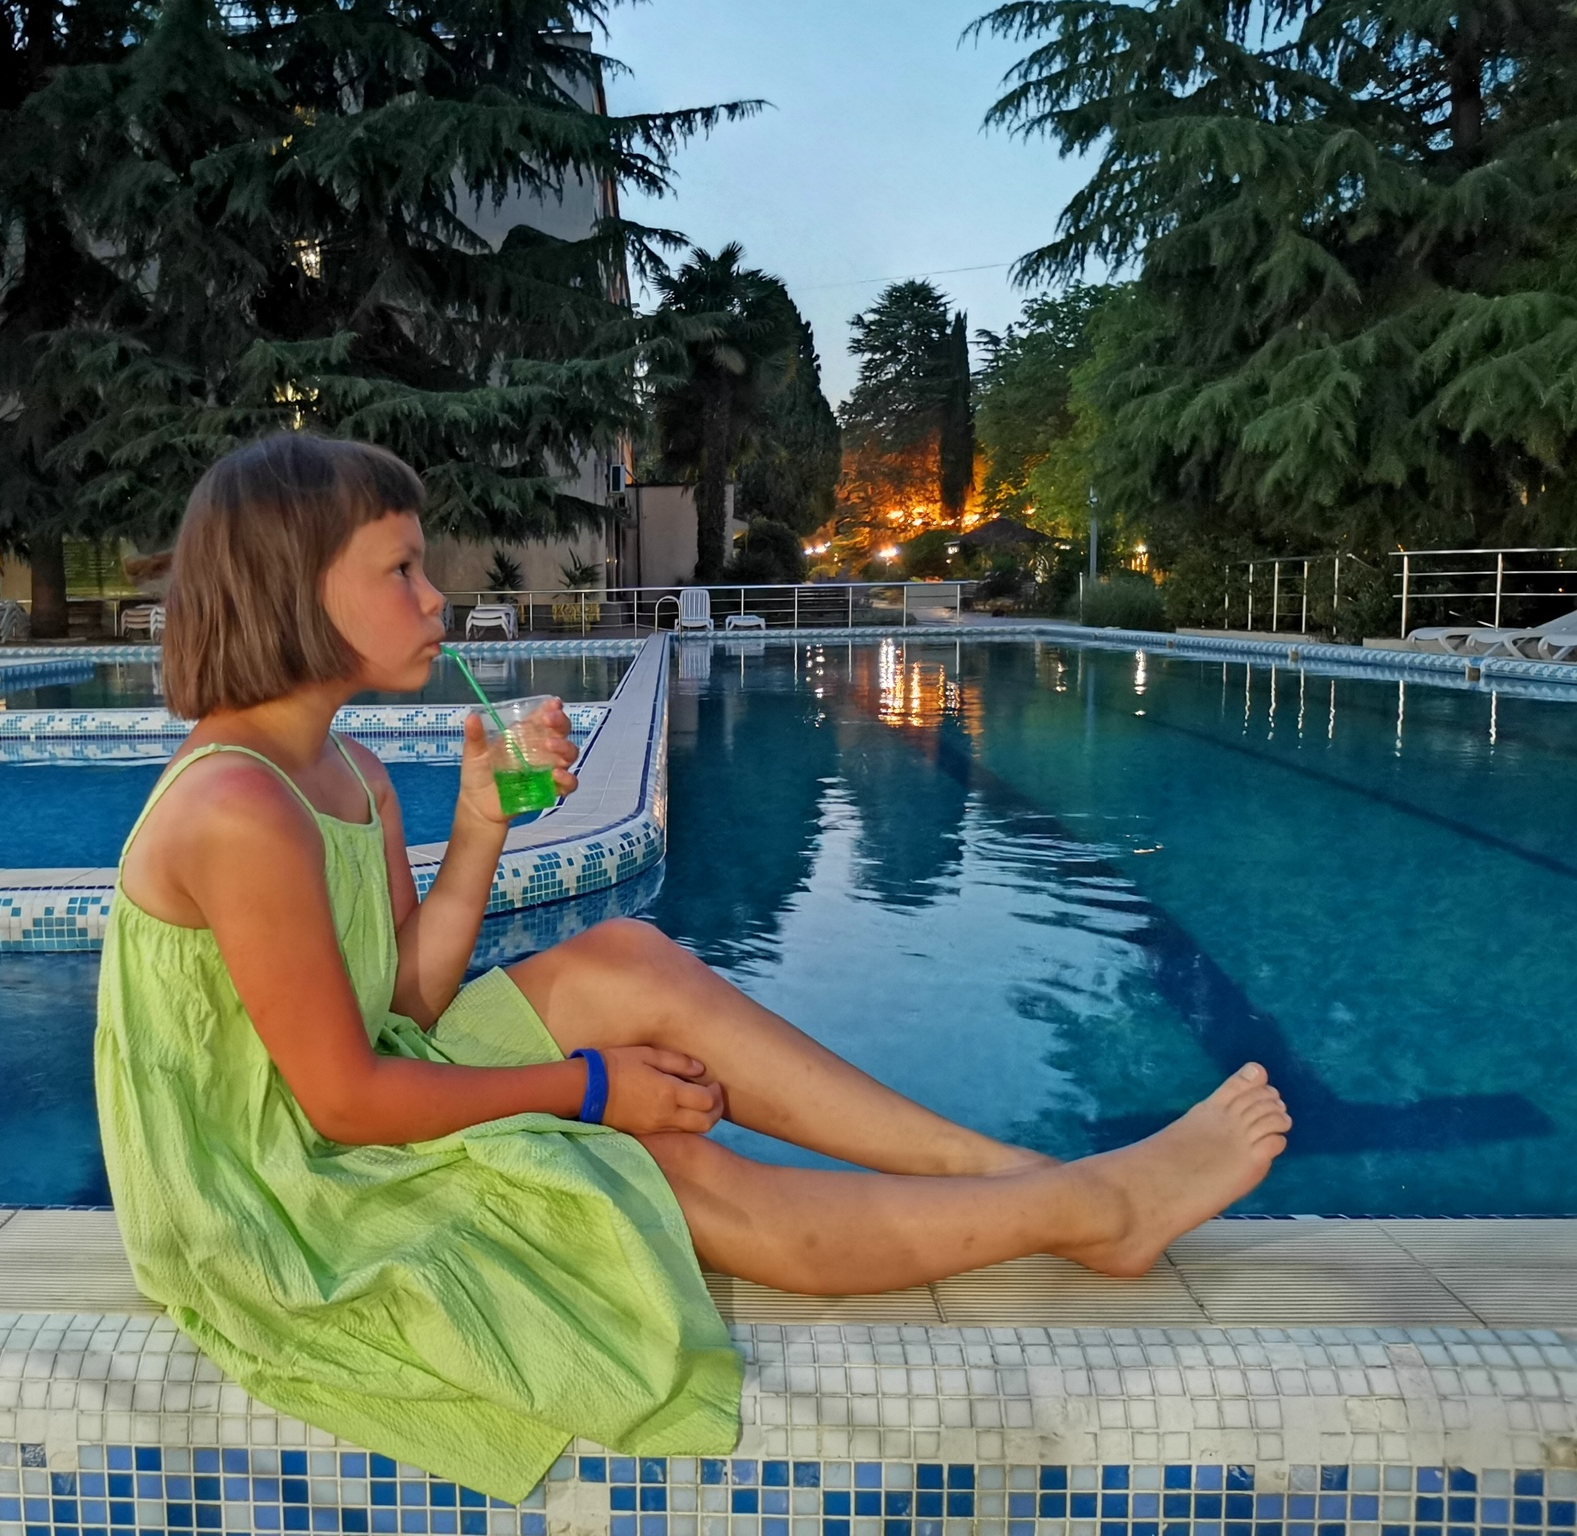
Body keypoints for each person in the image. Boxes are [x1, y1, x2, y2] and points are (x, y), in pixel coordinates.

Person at [94, 434, 1291, 1501]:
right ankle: (1085, 1207)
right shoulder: (239, 809)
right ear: (296, 593)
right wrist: (589, 1091)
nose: (433, 596)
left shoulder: (343, 770)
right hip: (273, 1180)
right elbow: (345, 1103)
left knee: (623, 953)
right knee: (642, 1165)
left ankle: (1015, 1179)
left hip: (344, 1095)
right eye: (398, 569)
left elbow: (405, 998)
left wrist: (479, 823)